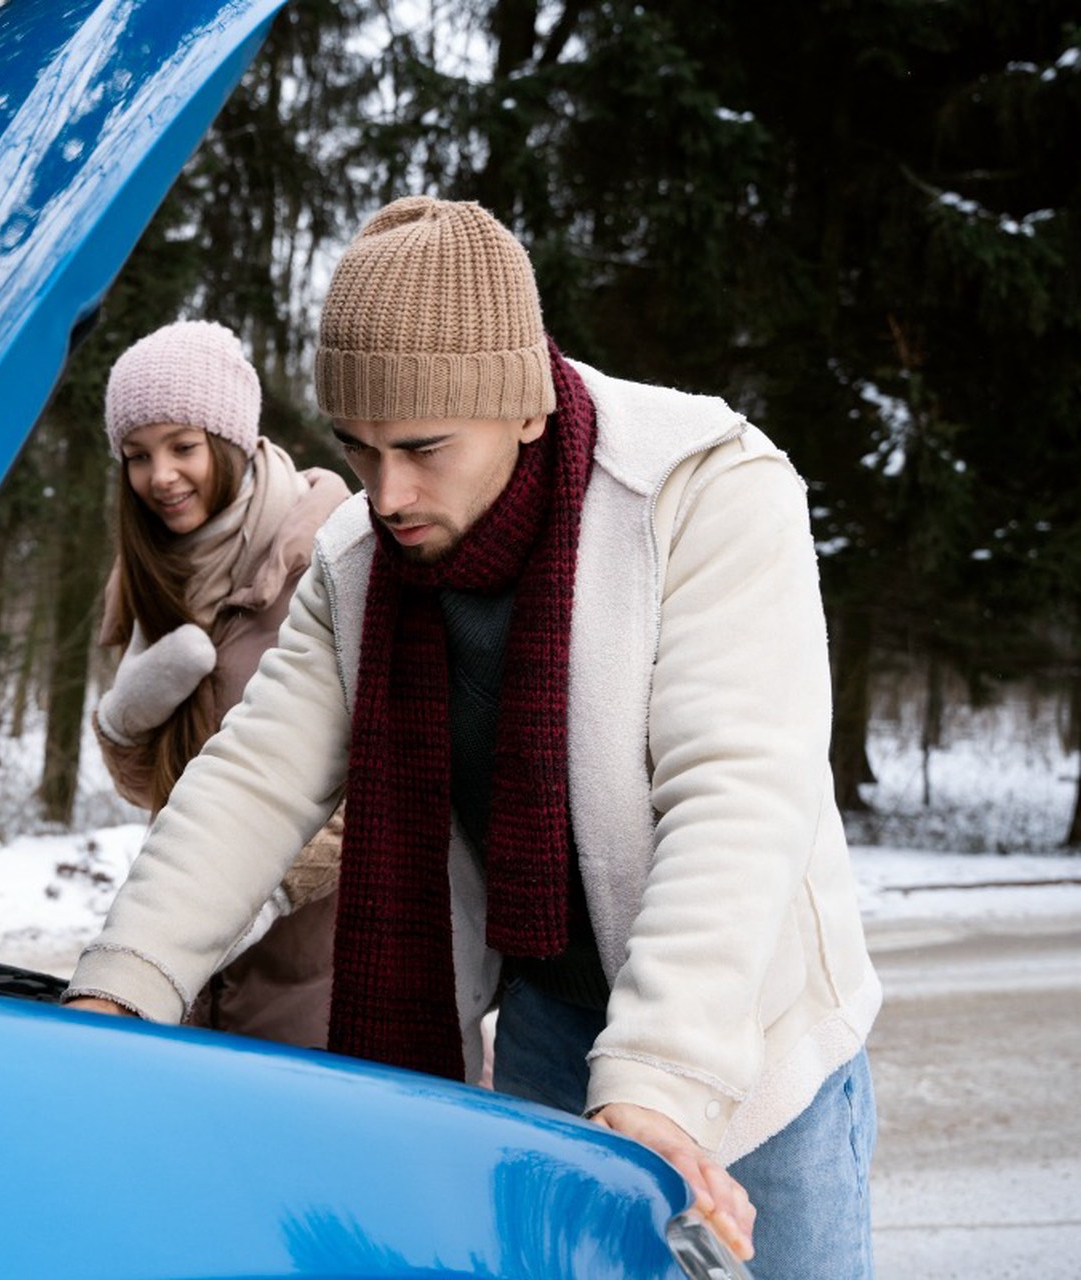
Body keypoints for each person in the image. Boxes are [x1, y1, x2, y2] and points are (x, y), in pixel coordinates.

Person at [64, 200, 879, 1278]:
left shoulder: (705, 491)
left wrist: (660, 1079)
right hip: (551, 1022)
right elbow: (251, 782)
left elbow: (736, 794)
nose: (386, 493)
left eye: (422, 448)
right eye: (358, 448)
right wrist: (121, 985)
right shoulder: (359, 561)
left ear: (523, 408)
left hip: (750, 1035)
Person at [91, 319, 350, 1048]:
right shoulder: (149, 577)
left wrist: (244, 895)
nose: (159, 477)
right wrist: (123, 726)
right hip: (190, 964)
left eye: (183, 446)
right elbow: (153, 791)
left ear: (230, 441)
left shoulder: (323, 567)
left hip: (305, 969)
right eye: (137, 456)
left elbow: (365, 787)